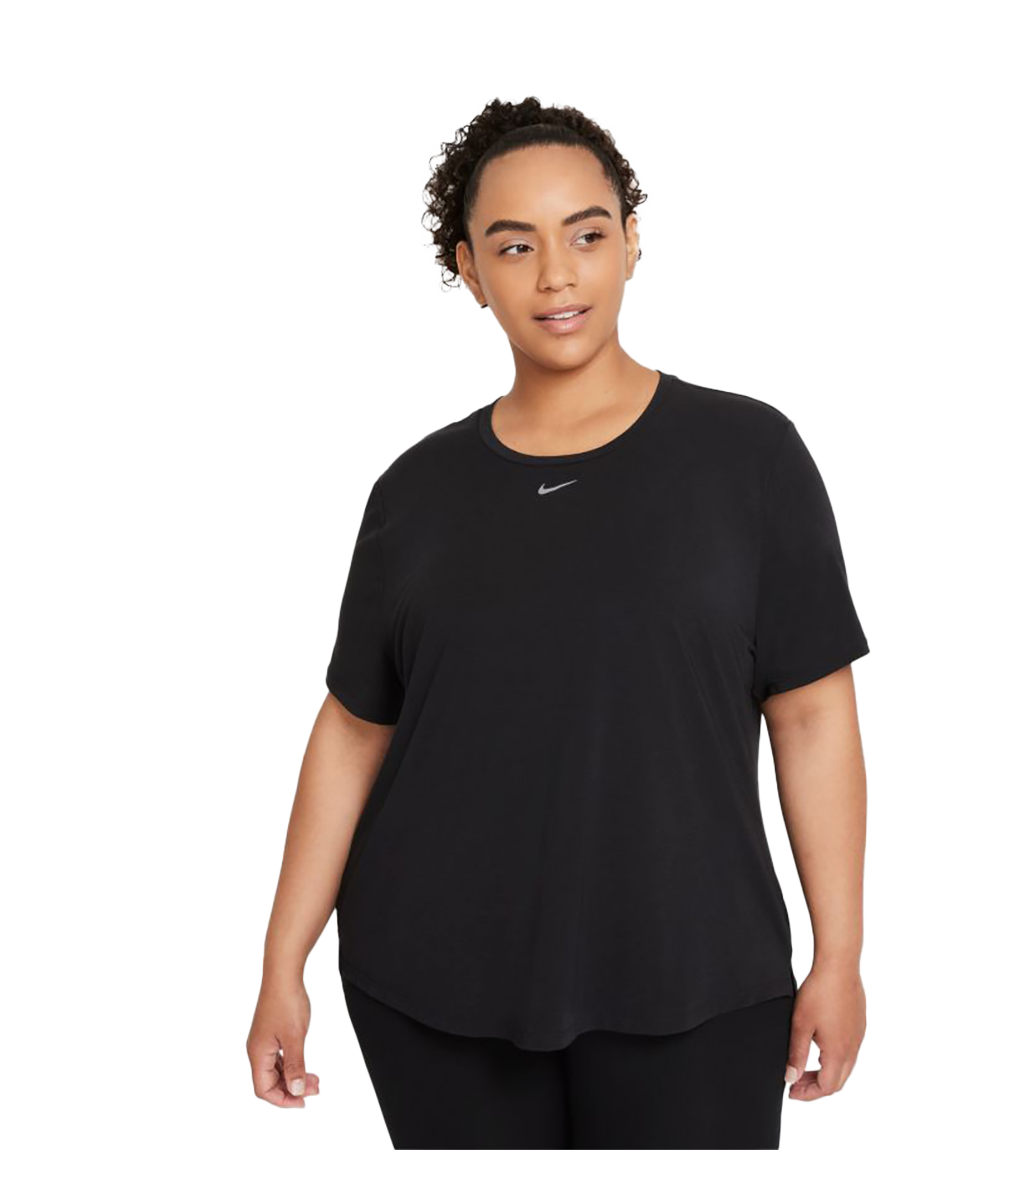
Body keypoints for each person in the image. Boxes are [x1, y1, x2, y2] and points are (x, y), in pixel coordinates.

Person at [246, 94, 871, 1149]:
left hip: (698, 978)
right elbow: (352, 732)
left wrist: (839, 956)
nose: (555, 276)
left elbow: (812, 716)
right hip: (433, 987)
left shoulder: (750, 458)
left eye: (585, 234)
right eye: (514, 245)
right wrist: (281, 965)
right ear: (468, 269)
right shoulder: (416, 492)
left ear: (632, 240)